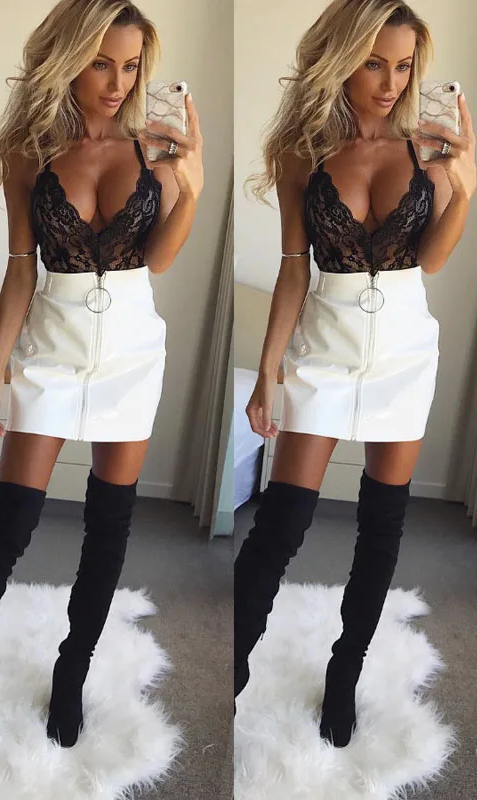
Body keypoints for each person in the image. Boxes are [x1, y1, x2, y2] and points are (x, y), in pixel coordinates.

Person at [0, 0, 204, 781]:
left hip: (130, 348)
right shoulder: (29, 151)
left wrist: (189, 187)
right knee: (8, 523)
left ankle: (72, 674)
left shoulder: (154, 146)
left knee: (108, 524)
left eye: (130, 66)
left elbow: (158, 260)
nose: (117, 81)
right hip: (51, 346)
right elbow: (20, 267)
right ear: (68, 58)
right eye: (101, 62)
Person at [235, 0, 475, 748]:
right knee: (283, 521)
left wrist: (462, 184)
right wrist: (268, 371)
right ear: (341, 58)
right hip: (324, 349)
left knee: (382, 524)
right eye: (374, 62)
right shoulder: (302, 151)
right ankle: (234, 661)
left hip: (404, 350)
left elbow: (431, 260)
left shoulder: (425, 148)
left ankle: (345, 675)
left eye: (403, 66)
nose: (390, 81)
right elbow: (292, 268)